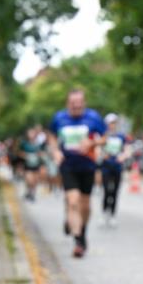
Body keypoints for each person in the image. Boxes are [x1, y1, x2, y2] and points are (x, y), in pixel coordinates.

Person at [48, 89, 106, 258]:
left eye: (79, 102)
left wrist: (92, 142)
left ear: (84, 103)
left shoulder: (93, 117)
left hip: (88, 165)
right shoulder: (59, 118)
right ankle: (79, 241)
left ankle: (81, 229)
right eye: (73, 103)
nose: (76, 106)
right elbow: (51, 136)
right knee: (73, 201)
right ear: (68, 103)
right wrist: (55, 151)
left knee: (85, 204)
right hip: (68, 165)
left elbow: (105, 137)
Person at [100, 113, 128, 227]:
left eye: (114, 123)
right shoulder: (104, 136)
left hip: (117, 167)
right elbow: (99, 149)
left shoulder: (121, 136)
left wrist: (123, 156)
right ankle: (104, 213)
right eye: (110, 123)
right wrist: (103, 155)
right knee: (106, 190)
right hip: (106, 166)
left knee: (115, 192)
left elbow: (126, 150)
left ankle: (112, 214)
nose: (112, 125)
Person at [19, 126, 45, 202]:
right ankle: (29, 191)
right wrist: (25, 155)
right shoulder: (24, 143)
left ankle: (32, 193)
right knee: (29, 179)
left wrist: (39, 155)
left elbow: (42, 153)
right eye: (30, 133)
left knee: (35, 180)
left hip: (37, 164)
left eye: (33, 133)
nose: (31, 134)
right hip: (27, 165)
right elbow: (19, 152)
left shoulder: (39, 144)